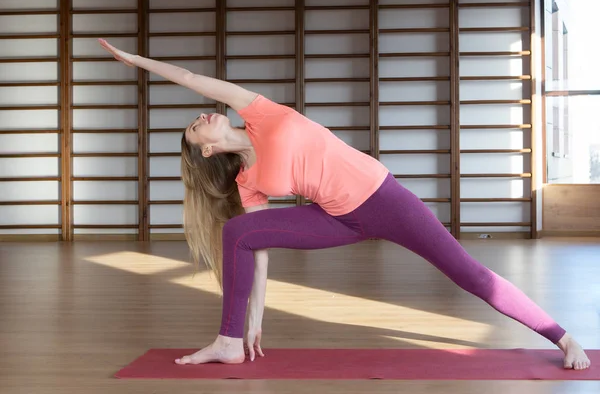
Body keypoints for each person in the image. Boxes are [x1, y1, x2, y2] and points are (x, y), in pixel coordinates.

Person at [98, 38, 591, 371]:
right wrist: (253, 322)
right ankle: (227, 341)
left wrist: (135, 61)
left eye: (199, 116)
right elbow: (258, 250)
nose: (202, 115)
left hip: (384, 197)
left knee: (468, 273)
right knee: (237, 232)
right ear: (206, 148)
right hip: (336, 218)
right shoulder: (247, 182)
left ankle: (562, 337)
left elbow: (187, 76)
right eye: (195, 127)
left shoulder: (258, 111)